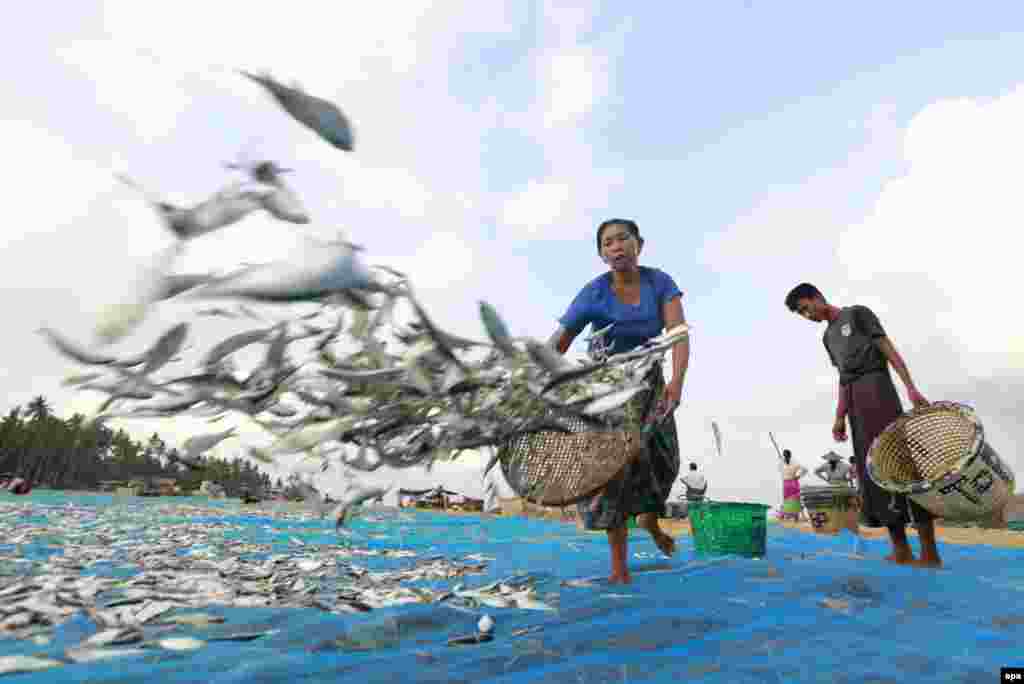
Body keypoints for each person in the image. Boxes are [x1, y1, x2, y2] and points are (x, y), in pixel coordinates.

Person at [550, 218, 687, 584]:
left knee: (664, 460)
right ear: (601, 254)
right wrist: (537, 375)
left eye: (623, 238)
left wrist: (676, 381)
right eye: (608, 243)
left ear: (639, 244)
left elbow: (677, 334)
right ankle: (619, 569)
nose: (617, 246)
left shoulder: (660, 282)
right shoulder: (593, 293)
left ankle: (650, 521)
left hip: (648, 383)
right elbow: (560, 342)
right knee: (615, 474)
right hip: (608, 387)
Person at [785, 282, 942, 568]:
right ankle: (901, 550)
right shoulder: (827, 338)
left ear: (817, 297)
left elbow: (888, 349)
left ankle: (930, 552)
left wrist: (911, 388)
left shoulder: (857, 314)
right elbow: (843, 378)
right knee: (873, 473)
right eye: (802, 314)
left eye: (807, 308)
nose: (808, 316)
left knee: (901, 466)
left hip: (878, 389)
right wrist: (839, 415)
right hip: (856, 405)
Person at [778, 449, 807, 521]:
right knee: (790, 500)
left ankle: (793, 516)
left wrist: (798, 476)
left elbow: (805, 469)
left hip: (790, 483)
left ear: (789, 456)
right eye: (785, 456)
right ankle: (787, 515)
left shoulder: (785, 463)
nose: (785, 457)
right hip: (789, 483)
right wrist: (798, 476)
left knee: (793, 500)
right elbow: (805, 470)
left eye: (786, 455)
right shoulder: (785, 463)